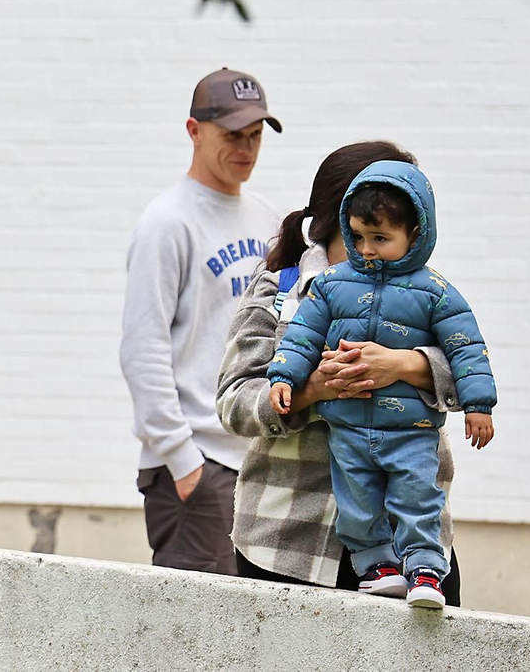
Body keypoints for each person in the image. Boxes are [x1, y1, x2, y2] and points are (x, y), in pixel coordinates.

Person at [217, 141, 472, 604]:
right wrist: (313, 390)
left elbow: (473, 371)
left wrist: (407, 365)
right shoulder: (281, 289)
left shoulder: (429, 293)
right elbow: (234, 401)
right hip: (287, 544)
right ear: (346, 217)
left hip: (413, 553)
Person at [119, 67, 285, 574]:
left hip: (260, 461)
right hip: (198, 466)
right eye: (233, 135)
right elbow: (142, 349)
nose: (247, 149)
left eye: (256, 136)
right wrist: (182, 462)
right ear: (194, 131)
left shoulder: (268, 219)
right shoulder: (167, 222)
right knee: (193, 644)